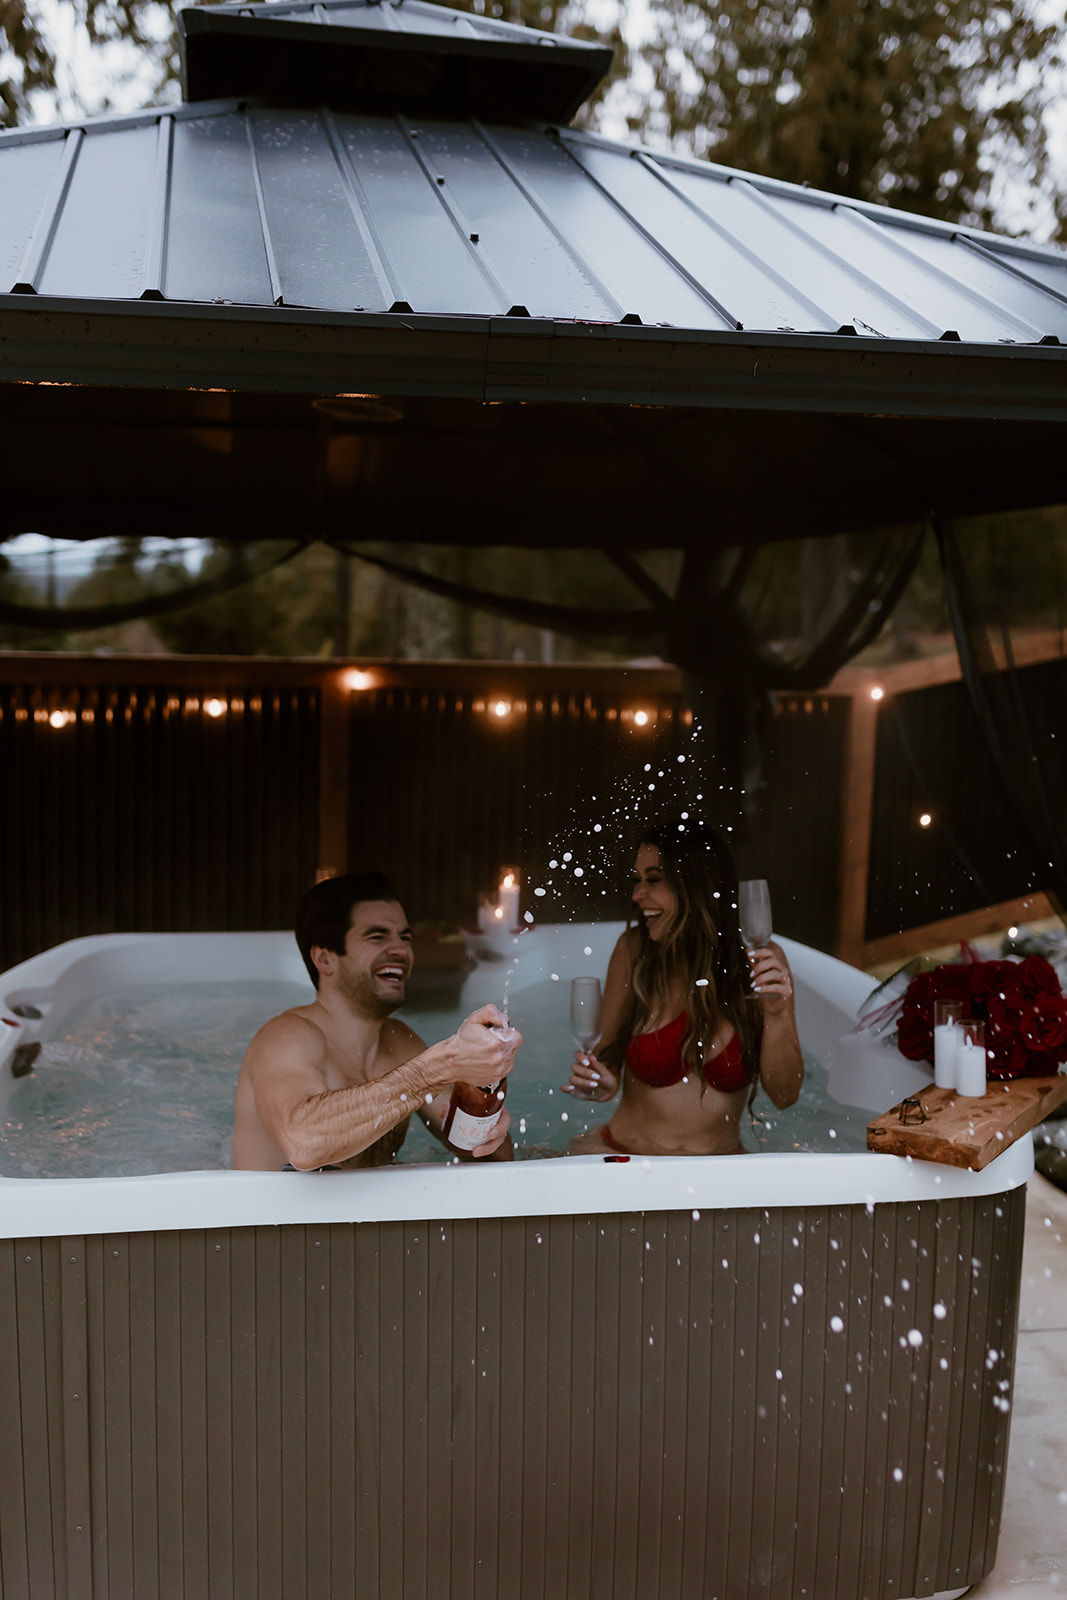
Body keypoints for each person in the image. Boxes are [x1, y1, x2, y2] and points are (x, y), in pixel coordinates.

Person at [234, 871, 518, 1169]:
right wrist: (440, 1066)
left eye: (405, 937)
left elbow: (489, 1160)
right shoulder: (285, 1037)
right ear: (325, 959)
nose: (401, 950)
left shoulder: (399, 1043)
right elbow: (303, 1145)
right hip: (277, 1217)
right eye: (377, 936)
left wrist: (488, 1121)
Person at [562, 821, 803, 1156]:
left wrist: (777, 1016)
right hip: (627, 1158)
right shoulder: (634, 952)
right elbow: (606, 1055)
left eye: (654, 880)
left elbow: (785, 1096)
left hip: (720, 1171)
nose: (637, 894)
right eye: (637, 879)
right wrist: (601, 1083)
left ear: (696, 885)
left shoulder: (759, 962)